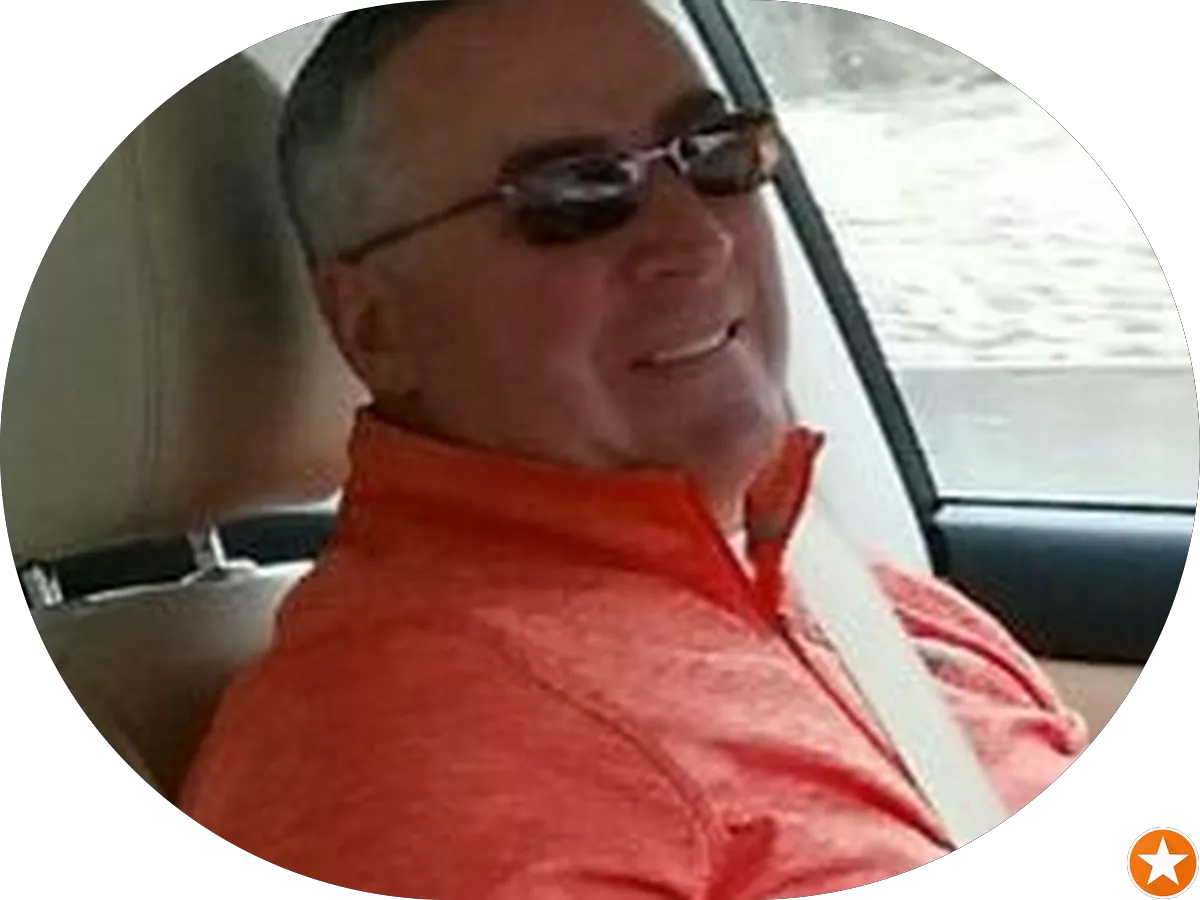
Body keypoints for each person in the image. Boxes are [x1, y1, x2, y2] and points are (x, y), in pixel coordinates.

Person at [178, 2, 1090, 896]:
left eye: (715, 152)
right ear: (376, 326)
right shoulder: (408, 758)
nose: (699, 239)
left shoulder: (851, 591)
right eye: (576, 193)